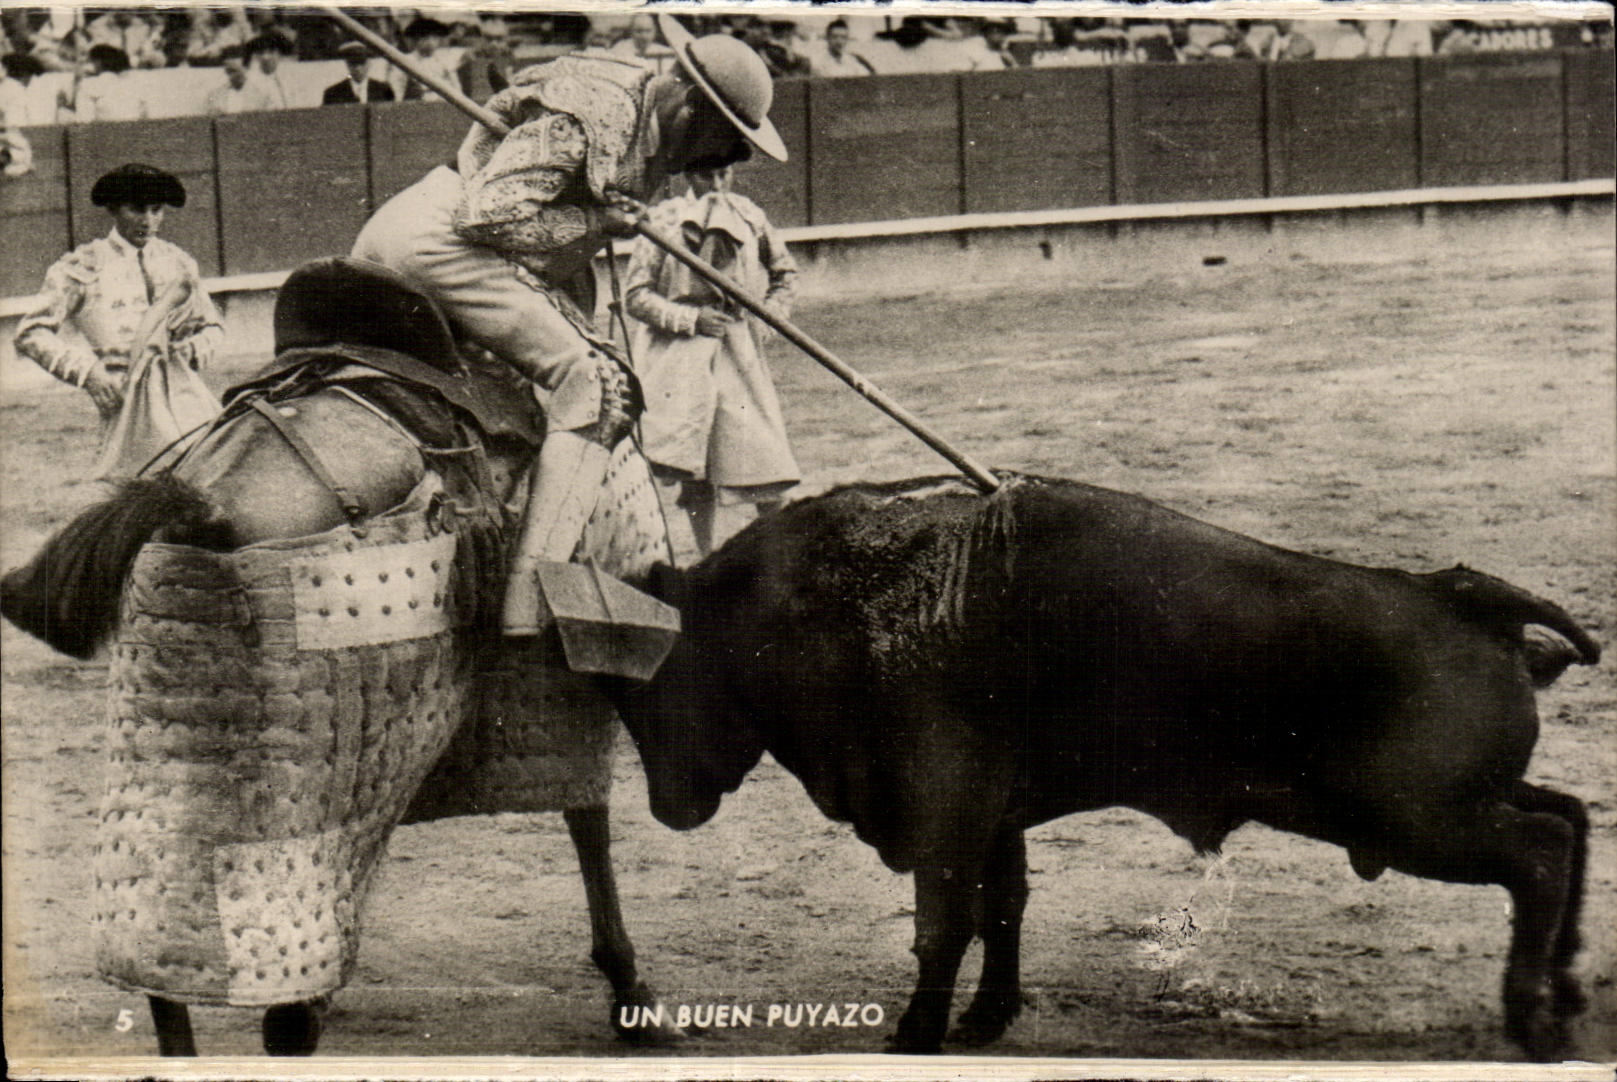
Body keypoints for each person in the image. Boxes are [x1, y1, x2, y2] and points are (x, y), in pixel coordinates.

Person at [351, 16, 788, 635]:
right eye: (720, 141)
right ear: (692, 108)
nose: (715, 160)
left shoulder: (637, 106)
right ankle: (528, 606)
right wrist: (596, 225)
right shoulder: (598, 113)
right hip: (438, 243)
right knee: (602, 385)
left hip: (424, 236)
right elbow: (487, 215)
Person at [624, 164, 799, 556]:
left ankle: (775, 560)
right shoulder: (663, 220)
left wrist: (762, 325)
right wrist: (691, 318)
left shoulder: (751, 216)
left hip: (738, 355)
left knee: (764, 460)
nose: (717, 185)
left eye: (724, 174)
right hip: (681, 359)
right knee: (694, 465)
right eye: (707, 176)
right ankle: (706, 559)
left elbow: (786, 275)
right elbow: (635, 296)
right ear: (688, 175)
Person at [14, 163, 223, 476]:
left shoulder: (178, 261)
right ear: (113, 209)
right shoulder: (83, 266)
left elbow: (212, 326)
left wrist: (194, 350)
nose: (149, 221)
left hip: (187, 395)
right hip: (125, 399)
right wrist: (89, 373)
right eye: (137, 210)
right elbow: (31, 333)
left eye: (157, 210)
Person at [391, 18, 457, 102]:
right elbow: (398, 89)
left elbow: (456, 89)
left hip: (442, 105)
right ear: (416, 39)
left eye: (434, 38)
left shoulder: (444, 62)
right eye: (426, 38)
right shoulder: (405, 61)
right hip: (416, 105)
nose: (431, 42)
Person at [204, 45, 275, 114]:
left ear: (246, 68)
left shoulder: (263, 97)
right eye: (228, 72)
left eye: (234, 71)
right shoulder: (215, 96)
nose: (230, 77)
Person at [323, 40, 394, 104]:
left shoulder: (384, 91)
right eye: (353, 63)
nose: (358, 68)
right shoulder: (333, 94)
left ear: (369, 63)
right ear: (347, 64)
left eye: (362, 62)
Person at [802, 19, 874, 77]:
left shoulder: (852, 60)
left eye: (843, 37)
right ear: (827, 38)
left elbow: (867, 78)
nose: (839, 42)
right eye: (835, 37)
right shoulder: (816, 62)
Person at [245, 31, 294, 109]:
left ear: (279, 54)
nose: (265, 57)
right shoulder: (251, 80)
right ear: (256, 56)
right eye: (261, 53)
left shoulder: (288, 78)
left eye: (271, 52)